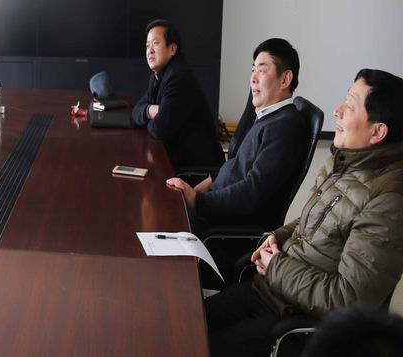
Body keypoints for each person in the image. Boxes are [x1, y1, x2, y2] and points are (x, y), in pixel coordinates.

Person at [205, 69, 403, 357]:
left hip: (290, 324)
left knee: (187, 345)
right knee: (177, 322)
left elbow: (347, 299)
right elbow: (312, 222)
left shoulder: (388, 199)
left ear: (377, 132)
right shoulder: (345, 161)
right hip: (268, 291)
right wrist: (276, 236)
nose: (337, 110)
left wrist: (277, 267)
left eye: (349, 105)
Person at [166, 38, 307, 234]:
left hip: (223, 227)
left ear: (285, 79)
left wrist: (198, 202)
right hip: (213, 209)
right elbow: (237, 165)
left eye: (262, 70)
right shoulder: (267, 116)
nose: (253, 78)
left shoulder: (284, 127)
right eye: (253, 70)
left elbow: (252, 192)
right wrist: (197, 191)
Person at [132, 19, 224, 170]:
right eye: (147, 45)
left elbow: (160, 129)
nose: (150, 50)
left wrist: (149, 117)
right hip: (176, 159)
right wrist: (151, 110)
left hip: (197, 168)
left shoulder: (179, 77)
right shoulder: (157, 74)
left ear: (172, 49)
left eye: (155, 43)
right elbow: (136, 110)